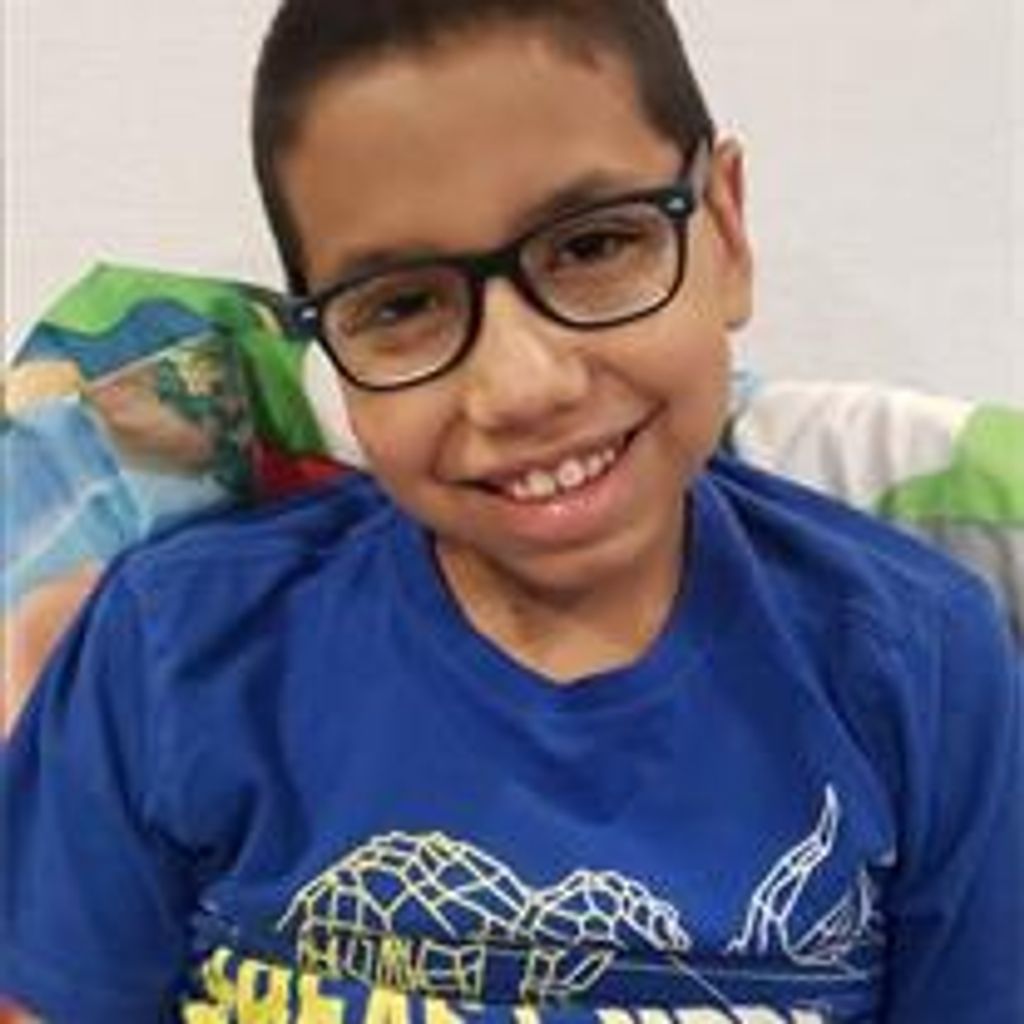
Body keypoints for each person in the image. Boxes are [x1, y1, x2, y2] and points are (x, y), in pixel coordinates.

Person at [1, 1, 1021, 1021]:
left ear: (725, 229)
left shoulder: (922, 666)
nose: (522, 385)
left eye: (594, 245)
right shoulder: (176, 647)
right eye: (401, 303)